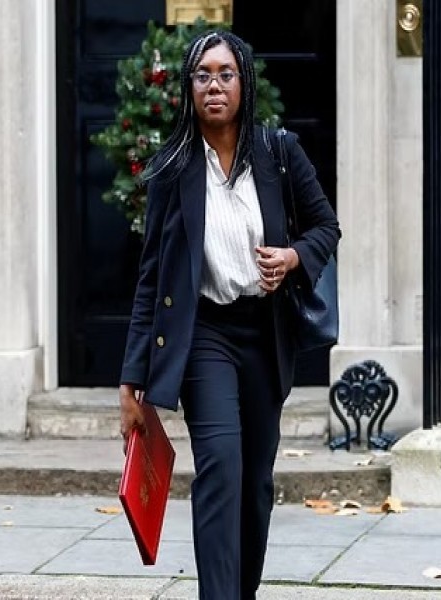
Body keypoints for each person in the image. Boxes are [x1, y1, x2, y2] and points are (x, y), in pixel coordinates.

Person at [118, 29, 340, 600]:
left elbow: (325, 227)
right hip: (205, 336)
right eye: (202, 75)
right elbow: (151, 279)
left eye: (225, 74)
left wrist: (291, 257)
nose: (214, 86)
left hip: (265, 334)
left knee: (255, 484)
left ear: (244, 82)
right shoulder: (172, 169)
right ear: (189, 88)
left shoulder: (279, 153)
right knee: (220, 468)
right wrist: (131, 381)